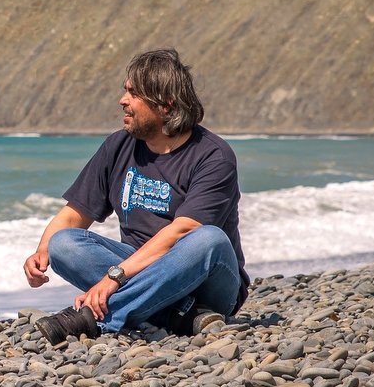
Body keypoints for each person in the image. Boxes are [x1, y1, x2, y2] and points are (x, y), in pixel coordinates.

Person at [23, 48, 249, 344]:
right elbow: (73, 214)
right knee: (63, 243)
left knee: (208, 239)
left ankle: (98, 319)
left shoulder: (213, 156)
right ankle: (182, 314)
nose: (122, 101)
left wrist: (113, 278)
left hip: (207, 280)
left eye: (133, 93)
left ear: (165, 105)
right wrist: (41, 252)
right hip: (137, 268)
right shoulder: (119, 146)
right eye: (125, 91)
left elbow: (183, 231)